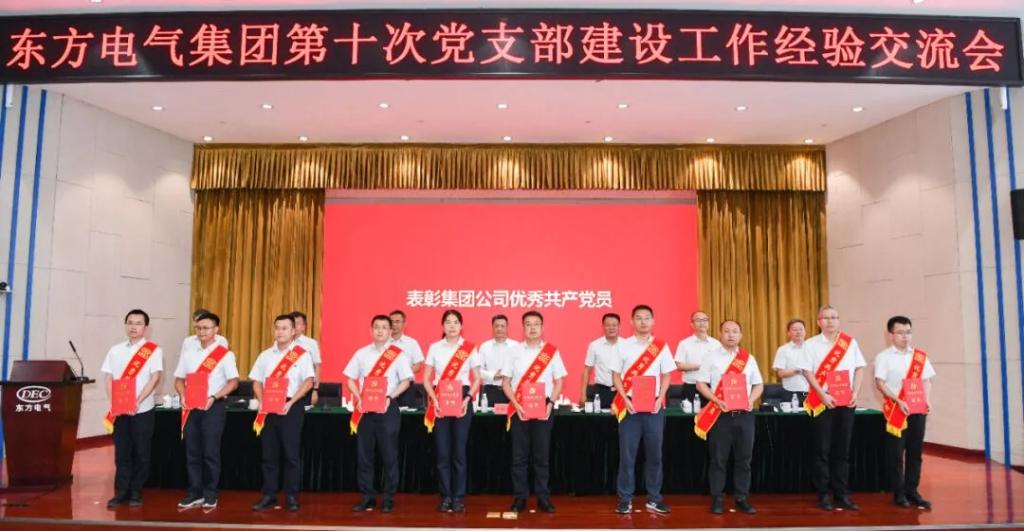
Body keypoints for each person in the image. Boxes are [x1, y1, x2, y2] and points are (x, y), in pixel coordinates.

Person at [800, 304, 866, 512]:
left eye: (834, 317)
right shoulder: (810, 344)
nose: (830, 321)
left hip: (846, 403)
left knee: (842, 450)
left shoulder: (850, 343)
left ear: (839, 321)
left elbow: (859, 368)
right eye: (826, 318)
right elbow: (807, 372)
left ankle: (841, 493)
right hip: (821, 403)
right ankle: (823, 494)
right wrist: (822, 394)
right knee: (821, 450)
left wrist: (855, 392)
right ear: (819, 322)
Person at [346, 315, 415, 513]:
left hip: (387, 407)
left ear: (390, 331)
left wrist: (390, 397)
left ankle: (388, 497)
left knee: (389, 455)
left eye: (384, 327)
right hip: (365, 409)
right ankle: (367, 497)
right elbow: (350, 378)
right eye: (376, 327)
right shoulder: (361, 354)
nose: (380, 331)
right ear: (371, 330)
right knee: (364, 456)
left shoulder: (397, 355)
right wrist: (358, 397)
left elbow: (406, 381)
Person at [500, 311, 567, 513]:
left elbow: (559, 381)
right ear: (523, 328)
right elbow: (505, 383)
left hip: (544, 408)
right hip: (519, 407)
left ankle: (543, 498)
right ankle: (520, 498)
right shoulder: (513, 352)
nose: (532, 328)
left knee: (541, 456)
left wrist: (551, 404)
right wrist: (516, 405)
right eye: (528, 324)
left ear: (542, 327)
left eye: (536, 324)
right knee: (519, 457)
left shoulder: (551, 352)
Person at [610, 305, 674, 514]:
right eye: (638, 318)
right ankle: (625, 499)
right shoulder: (622, 346)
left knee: (655, 455)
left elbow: (667, 375)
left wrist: (661, 398)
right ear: (632, 322)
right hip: (630, 407)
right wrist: (623, 398)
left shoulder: (660, 346)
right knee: (627, 456)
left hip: (654, 407)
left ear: (653, 321)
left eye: (647, 318)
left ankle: (654, 498)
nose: (643, 322)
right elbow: (616, 376)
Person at [695, 320, 763, 515]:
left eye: (735, 331)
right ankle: (717, 498)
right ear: (720, 333)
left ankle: (742, 498)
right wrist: (716, 400)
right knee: (718, 459)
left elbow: (758, 384)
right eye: (727, 331)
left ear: (740, 335)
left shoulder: (748, 359)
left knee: (744, 459)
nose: (731, 335)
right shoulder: (711, 357)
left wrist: (751, 400)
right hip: (720, 415)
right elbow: (700, 384)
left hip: (744, 415)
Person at [249, 314, 315, 512]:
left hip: (291, 407)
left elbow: (308, 382)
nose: (280, 332)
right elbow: (256, 381)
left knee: (291, 454)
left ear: (293, 331)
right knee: (269, 454)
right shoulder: (265, 355)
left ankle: (292, 496)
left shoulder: (302, 355)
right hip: (268, 407)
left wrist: (292, 402)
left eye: (285, 328)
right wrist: (262, 400)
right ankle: (269, 495)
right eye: (277, 328)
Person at [173, 312, 239, 510]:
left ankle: (210, 493)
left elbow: (234, 382)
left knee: (210, 452)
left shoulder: (224, 354)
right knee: (192, 452)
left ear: (216, 330)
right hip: (191, 407)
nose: (202, 332)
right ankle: (195, 492)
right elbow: (179, 380)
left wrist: (214, 397)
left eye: (206, 328)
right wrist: (183, 395)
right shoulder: (189, 353)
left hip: (213, 407)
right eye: (199, 328)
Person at [101, 309, 164, 509]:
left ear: (145, 327)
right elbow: (108, 377)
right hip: (120, 411)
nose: (133, 327)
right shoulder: (115, 350)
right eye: (130, 322)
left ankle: (136, 491)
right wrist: (114, 402)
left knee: (141, 452)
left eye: (138, 323)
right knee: (122, 453)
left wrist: (137, 401)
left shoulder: (153, 350)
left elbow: (155, 378)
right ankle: (121, 492)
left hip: (142, 410)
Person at [874, 315, 936, 509]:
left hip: (917, 410)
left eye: (908, 332)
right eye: (900, 332)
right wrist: (898, 400)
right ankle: (898, 493)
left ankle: (912, 491)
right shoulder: (884, 357)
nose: (905, 336)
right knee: (895, 455)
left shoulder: (919, 357)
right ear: (890, 335)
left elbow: (926, 381)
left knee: (915, 453)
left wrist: (927, 399)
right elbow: (880, 383)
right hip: (896, 411)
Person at [423, 310, 481, 513]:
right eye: (448, 322)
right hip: (440, 397)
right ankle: (445, 496)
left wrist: (467, 398)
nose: (452, 326)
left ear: (461, 326)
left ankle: (458, 497)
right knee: (442, 452)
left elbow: (477, 379)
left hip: (462, 397)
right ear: (443, 326)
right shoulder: (434, 347)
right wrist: (434, 398)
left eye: (455, 322)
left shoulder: (469, 348)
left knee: (459, 453)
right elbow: (426, 378)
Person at [675, 311, 722, 401]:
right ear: (692, 324)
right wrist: (700, 366)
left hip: (711, 387)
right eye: (698, 320)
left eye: (705, 320)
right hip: (691, 387)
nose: (702, 323)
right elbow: (679, 366)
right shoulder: (684, 343)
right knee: (690, 410)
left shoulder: (716, 344)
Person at [581, 312, 622, 407]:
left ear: (619, 326)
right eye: (608, 325)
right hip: (601, 391)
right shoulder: (594, 345)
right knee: (601, 416)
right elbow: (587, 370)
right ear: (603, 326)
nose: (611, 328)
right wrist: (583, 394)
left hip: (622, 392)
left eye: (614, 325)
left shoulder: (626, 345)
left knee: (623, 417)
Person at [478, 314, 518, 405]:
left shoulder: (516, 346)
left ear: (507, 328)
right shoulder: (485, 346)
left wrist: (508, 373)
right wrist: (493, 375)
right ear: (492, 328)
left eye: (502, 326)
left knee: (513, 414)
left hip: (511, 390)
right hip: (490, 390)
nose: (499, 329)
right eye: (497, 326)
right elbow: (478, 371)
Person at [389, 310, 425, 408]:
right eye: (391, 321)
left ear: (404, 324)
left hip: (407, 387)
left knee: (406, 414)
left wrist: (402, 373)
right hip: (388, 386)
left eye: (397, 321)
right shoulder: (383, 343)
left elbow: (418, 366)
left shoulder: (412, 343)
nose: (394, 324)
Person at [771, 318, 809, 403]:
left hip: (812, 392)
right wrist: (799, 370)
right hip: (791, 393)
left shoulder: (812, 348)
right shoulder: (783, 350)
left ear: (805, 332)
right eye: (795, 330)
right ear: (788, 333)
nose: (798, 332)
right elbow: (781, 373)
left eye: (801, 329)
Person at [290, 311, 322, 406]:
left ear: (303, 327)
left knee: (304, 412)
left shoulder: (311, 343)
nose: (295, 326)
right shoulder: (282, 343)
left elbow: (317, 367)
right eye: (292, 323)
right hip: (287, 388)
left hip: (306, 388)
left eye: (298, 323)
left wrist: (315, 390)